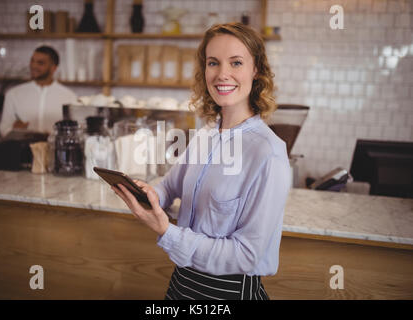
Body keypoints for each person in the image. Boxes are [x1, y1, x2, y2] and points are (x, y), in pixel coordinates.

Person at [112, 23, 291, 300]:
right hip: (182, 285)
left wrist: (166, 231)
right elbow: (170, 187)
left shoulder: (269, 153)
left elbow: (247, 255)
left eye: (236, 62)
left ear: (256, 70)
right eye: (213, 63)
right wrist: (147, 195)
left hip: (229, 292)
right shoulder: (204, 136)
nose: (222, 74)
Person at [0, 46, 77, 136]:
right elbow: (4, 128)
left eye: (40, 63)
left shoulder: (69, 97)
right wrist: (14, 130)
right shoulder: (13, 94)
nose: (34, 66)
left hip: (55, 149)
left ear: (53, 68)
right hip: (22, 148)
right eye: (32, 61)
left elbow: (74, 130)